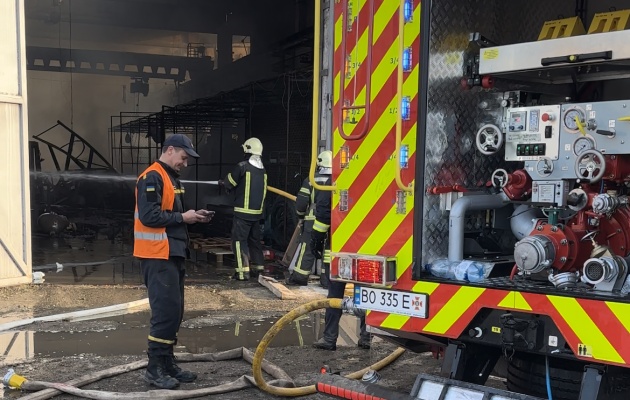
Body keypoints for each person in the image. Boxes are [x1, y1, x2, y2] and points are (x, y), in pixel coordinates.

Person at [134, 133, 213, 389]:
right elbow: (149, 216)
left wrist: (193, 216)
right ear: (170, 150)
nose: (185, 163)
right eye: (183, 157)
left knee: (175, 311)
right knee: (165, 312)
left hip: (172, 253)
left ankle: (167, 363)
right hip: (157, 255)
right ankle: (154, 369)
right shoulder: (152, 176)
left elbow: (171, 214)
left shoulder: (170, 178)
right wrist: (183, 218)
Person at [309, 153, 371, 351]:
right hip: (366, 245)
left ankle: (329, 339)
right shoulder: (367, 178)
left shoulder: (334, 182)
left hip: (341, 247)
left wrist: (316, 241)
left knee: (335, 293)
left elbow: (323, 215)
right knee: (364, 294)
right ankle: (366, 337)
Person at [222, 137, 268, 281]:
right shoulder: (263, 170)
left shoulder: (242, 166)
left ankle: (242, 273)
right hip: (256, 214)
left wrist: (223, 182)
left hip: (242, 214)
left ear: (247, 150)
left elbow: (230, 182)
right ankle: (259, 270)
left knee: (238, 241)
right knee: (255, 242)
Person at [285, 150, 332, 288]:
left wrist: (300, 216)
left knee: (308, 248)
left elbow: (301, 203)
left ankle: (299, 277)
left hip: (313, 220)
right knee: (328, 250)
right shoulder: (338, 179)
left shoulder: (311, 180)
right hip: (334, 220)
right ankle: (327, 280)